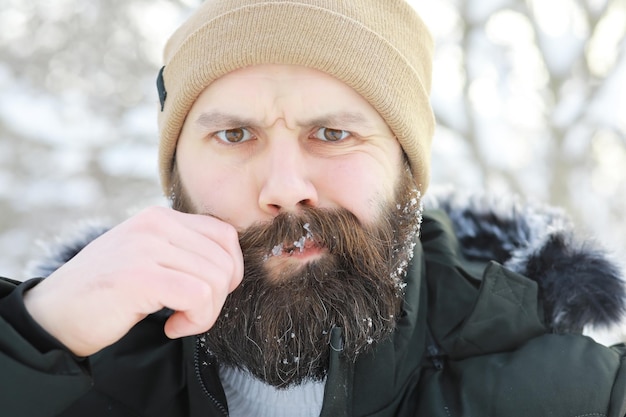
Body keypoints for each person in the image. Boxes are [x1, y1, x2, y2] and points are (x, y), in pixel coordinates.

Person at [1, 0, 625, 416]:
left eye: (332, 134)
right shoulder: (68, 370)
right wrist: (30, 339)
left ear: (406, 167)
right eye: (234, 135)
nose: (283, 185)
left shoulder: (583, 396)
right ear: (176, 174)